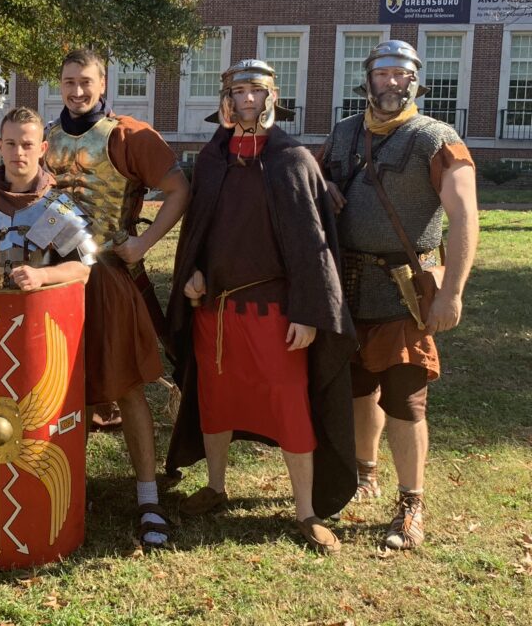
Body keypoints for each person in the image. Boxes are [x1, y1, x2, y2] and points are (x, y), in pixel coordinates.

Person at [164, 60, 357, 554]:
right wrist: (193, 273)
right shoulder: (210, 160)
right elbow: (198, 233)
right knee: (215, 401)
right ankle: (216, 485)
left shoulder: (293, 159)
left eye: (257, 90)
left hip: (276, 313)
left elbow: (314, 246)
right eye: (238, 90)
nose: (248, 99)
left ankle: (306, 511)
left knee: (290, 406)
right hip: (216, 311)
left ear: (273, 97)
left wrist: (311, 311)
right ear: (225, 99)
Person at [322, 40, 478, 550]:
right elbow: (315, 188)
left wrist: (451, 293)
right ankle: (365, 474)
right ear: (366, 81)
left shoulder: (437, 138)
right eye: (383, 74)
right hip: (346, 286)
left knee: (406, 400)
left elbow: (465, 217)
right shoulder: (343, 134)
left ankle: (411, 502)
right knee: (358, 389)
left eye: (402, 75)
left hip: (405, 289)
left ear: (417, 83)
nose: (392, 82)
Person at [43, 48, 190, 550]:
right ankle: (71, 486)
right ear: (59, 84)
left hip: (107, 275)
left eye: (86, 81)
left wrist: (143, 244)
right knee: (65, 387)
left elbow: (178, 190)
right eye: (68, 81)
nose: (77, 90)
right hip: (54, 280)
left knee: (126, 386)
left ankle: (148, 498)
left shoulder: (128, 134)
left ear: (102, 84)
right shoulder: (44, 138)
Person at [0, 106, 95, 291]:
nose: (18, 152)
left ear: (42, 148)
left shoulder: (60, 207)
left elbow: (82, 271)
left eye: (27, 144)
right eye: (10, 143)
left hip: (38, 315)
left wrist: (43, 275)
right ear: (0, 147)